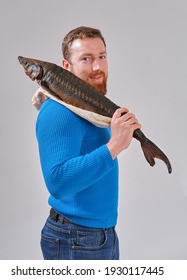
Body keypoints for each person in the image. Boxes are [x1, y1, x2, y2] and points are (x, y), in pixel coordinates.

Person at [36, 26, 141, 260]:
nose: (97, 67)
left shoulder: (87, 108)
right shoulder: (59, 112)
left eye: (101, 57)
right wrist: (115, 145)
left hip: (98, 236)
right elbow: (58, 182)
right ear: (66, 67)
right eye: (86, 59)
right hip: (75, 238)